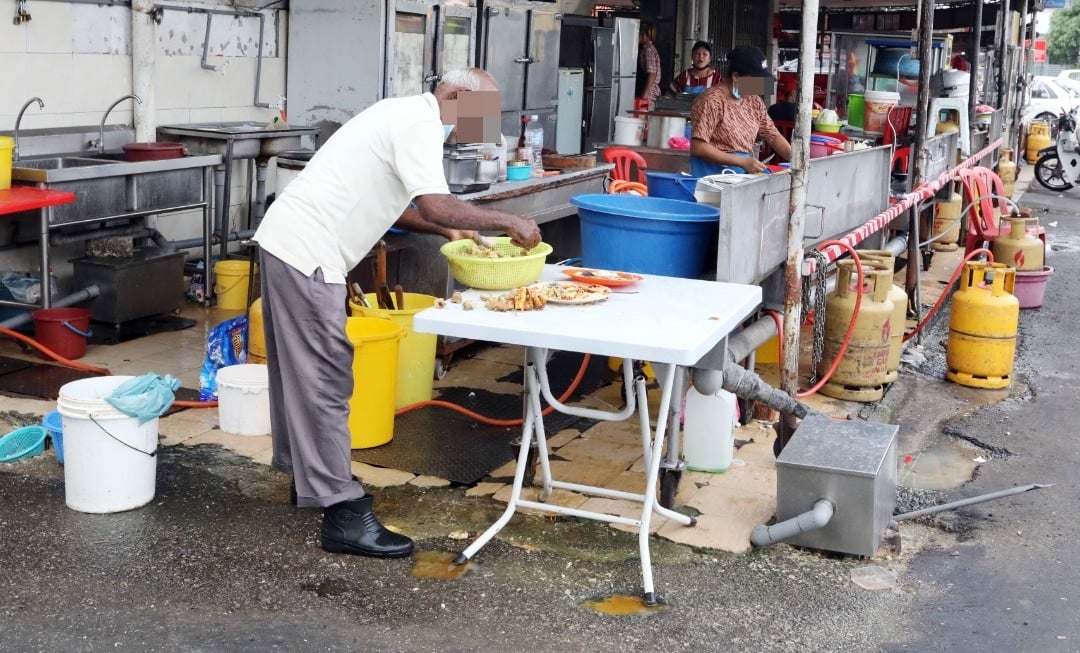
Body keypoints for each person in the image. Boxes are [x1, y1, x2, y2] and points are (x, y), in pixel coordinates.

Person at [253, 68, 541, 560]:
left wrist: (446, 232)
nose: (486, 123)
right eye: (484, 111)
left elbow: (398, 204)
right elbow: (436, 202)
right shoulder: (419, 123)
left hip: (290, 242)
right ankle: (343, 512)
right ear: (455, 96)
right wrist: (505, 219)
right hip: (308, 250)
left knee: (301, 374)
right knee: (324, 376)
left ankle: (310, 479)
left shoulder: (403, 113)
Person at [689, 46, 792, 176]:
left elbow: (773, 136)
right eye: (755, 81)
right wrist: (741, 162)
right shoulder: (712, 101)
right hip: (712, 176)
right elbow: (698, 147)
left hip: (740, 173)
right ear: (736, 76)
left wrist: (797, 159)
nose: (759, 87)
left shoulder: (754, 102)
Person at [636, 23, 662, 110]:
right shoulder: (646, 49)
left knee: (644, 117)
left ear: (642, 35)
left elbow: (652, 74)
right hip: (648, 91)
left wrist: (644, 96)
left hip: (649, 93)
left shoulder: (648, 50)